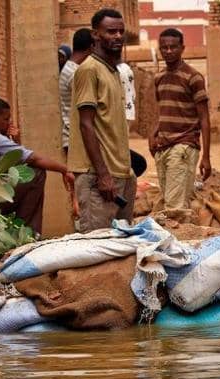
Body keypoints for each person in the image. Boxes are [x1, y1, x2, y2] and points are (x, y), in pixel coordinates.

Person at [0, 97, 76, 234]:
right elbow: (32, 159)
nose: (9, 123)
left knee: (24, 175)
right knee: (36, 173)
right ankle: (28, 233)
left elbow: (16, 163)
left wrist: (15, 140)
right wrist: (65, 170)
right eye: (6, 119)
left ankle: (19, 232)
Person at [69, 9, 135, 232]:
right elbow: (86, 124)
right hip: (97, 176)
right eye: (110, 31)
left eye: (121, 31)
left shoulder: (113, 71)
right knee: (96, 243)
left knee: (122, 242)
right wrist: (103, 174)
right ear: (95, 35)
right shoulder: (89, 70)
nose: (118, 36)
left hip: (120, 173)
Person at [149, 28, 211, 210]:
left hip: (184, 145)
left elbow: (204, 119)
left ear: (182, 48)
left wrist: (206, 157)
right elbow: (161, 110)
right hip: (163, 147)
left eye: (173, 47)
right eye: (164, 48)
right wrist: (152, 134)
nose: (168, 51)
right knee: (173, 202)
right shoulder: (158, 77)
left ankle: (181, 236)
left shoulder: (193, 77)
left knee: (174, 207)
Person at [60, 29, 94, 153]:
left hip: (73, 135)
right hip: (76, 137)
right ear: (92, 47)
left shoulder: (70, 68)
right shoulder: (76, 73)